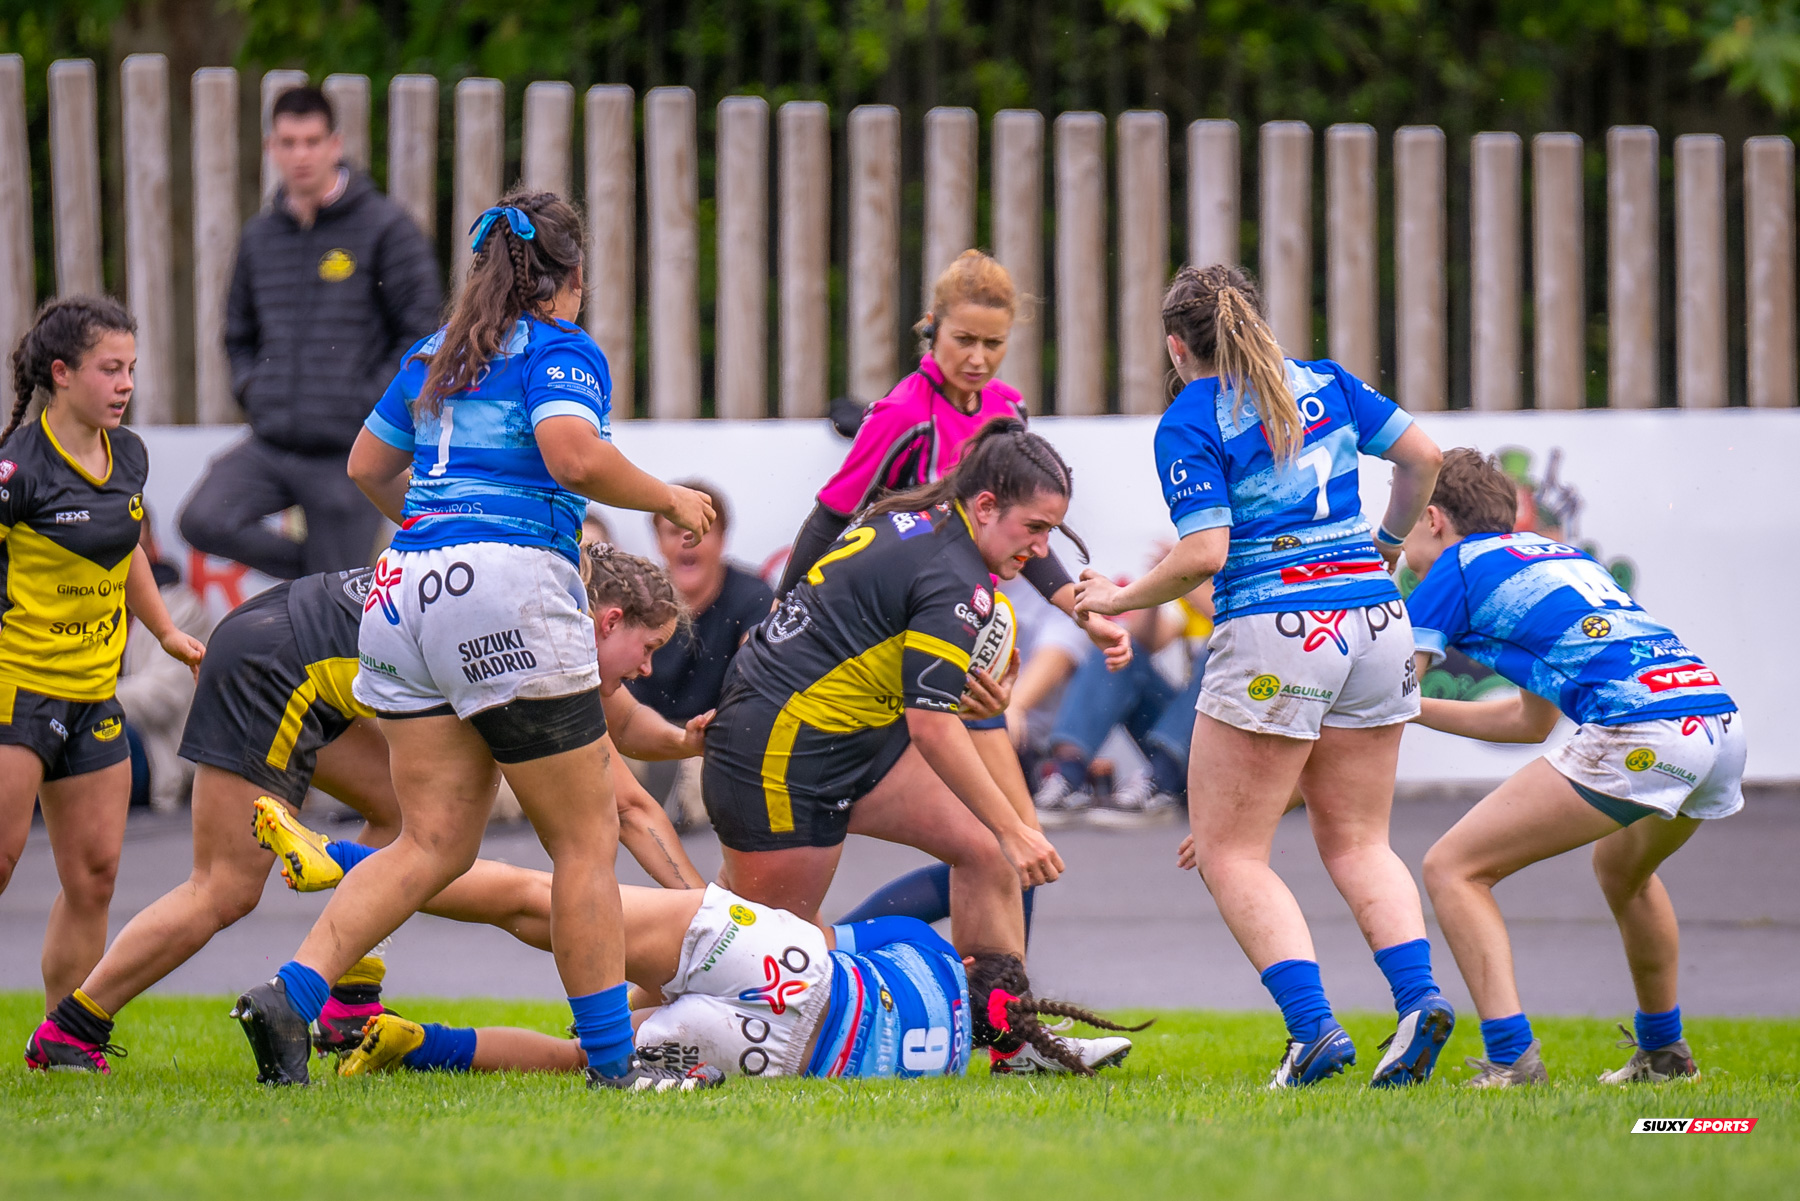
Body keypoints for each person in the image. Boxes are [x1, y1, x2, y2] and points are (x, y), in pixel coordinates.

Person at [229, 188, 721, 1093]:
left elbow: (368, 466)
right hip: (507, 583)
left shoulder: (435, 351)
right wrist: (668, 499)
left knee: (432, 841)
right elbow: (572, 454)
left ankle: (291, 994)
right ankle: (618, 1068)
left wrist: (433, 528)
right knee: (583, 842)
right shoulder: (563, 349)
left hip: (405, 584)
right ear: (570, 279)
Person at [24, 544, 706, 1074]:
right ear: (608, 619)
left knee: (400, 811)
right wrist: (710, 922)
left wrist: (681, 740)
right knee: (225, 887)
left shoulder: (541, 605)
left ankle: (349, 1004)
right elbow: (627, 803)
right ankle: (71, 1027)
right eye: (647, 650)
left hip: (288, 639)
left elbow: (624, 723)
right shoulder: (536, 639)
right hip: (275, 662)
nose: (648, 668)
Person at [1074, 264, 1450, 1089]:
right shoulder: (1329, 382)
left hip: (1278, 624)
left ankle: (1313, 1030)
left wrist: (1118, 595)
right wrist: (1385, 548)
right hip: (1375, 620)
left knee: (1230, 851)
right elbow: (1425, 459)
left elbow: (1205, 554)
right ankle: (1419, 999)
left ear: (1178, 347)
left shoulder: (1190, 415)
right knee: (1360, 840)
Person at [1405, 450, 1743, 1088]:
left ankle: (1511, 1061)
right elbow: (1529, 724)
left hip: (1641, 729)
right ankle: (1664, 1057)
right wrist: (1413, 711)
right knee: (1623, 869)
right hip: (1716, 725)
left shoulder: (1455, 566)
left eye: (1403, 520)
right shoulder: (1550, 557)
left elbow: (1386, 691)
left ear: (1433, 518)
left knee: (1453, 868)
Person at [707, 421, 1079, 973]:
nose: (1042, 549)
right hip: (779, 755)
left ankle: (1010, 1039)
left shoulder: (925, 522)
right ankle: (609, 1039)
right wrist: (1014, 827)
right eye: (1035, 527)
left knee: (987, 852)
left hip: (839, 733)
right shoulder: (957, 578)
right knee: (762, 960)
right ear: (984, 506)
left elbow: (881, 663)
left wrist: (963, 707)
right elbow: (929, 725)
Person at [321, 885, 1142, 1081]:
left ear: (967, 963)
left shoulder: (922, 949)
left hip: (801, 970)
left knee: (560, 901)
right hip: (780, 1056)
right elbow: (1071, 1048)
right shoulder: (960, 1056)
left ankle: (368, 871)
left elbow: (827, 935)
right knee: (581, 1055)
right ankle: (413, 1043)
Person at [0, 298, 206, 1066]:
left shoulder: (130, 456)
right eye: (108, 369)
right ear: (61, 373)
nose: (124, 384)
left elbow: (125, 551)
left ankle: (62, 1038)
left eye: (130, 369)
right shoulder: (17, 469)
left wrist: (165, 632)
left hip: (95, 697)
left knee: (94, 876)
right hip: (17, 690)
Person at [777, 249, 1130, 670]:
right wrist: (779, 611)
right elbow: (831, 517)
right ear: (933, 327)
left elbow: (1021, 532)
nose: (978, 359)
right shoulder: (902, 414)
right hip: (892, 621)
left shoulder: (1008, 410)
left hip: (964, 613)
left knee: (984, 730)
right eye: (964, 340)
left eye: (993, 343)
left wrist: (1080, 611)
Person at [179, 85, 441, 580]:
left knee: (329, 622)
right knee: (202, 519)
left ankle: (331, 581)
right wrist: (254, 390)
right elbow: (238, 334)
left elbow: (422, 336)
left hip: (351, 452)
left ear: (335, 144)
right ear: (270, 148)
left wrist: (367, 406)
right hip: (272, 443)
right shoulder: (260, 237)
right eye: (289, 141)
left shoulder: (386, 228)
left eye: (312, 140)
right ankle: (320, 575)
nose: (301, 154)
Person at [628, 479, 774, 828]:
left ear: (723, 540)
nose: (687, 540)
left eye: (700, 530)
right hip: (640, 735)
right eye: (675, 530)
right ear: (658, 542)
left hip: (714, 740)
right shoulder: (634, 600)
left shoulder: (753, 597)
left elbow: (760, 684)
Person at [1033, 579, 1214, 827]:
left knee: (1218, 659)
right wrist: (1156, 593)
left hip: (1227, 743)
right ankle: (1067, 776)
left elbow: (1235, 626)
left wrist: (1183, 577)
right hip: (1189, 741)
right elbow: (1144, 640)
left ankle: (1161, 779)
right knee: (1119, 650)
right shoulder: (1196, 593)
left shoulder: (1259, 582)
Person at [115, 511, 215, 812]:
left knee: (92, 732)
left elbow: (160, 699)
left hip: (152, 752)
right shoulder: (78, 604)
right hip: (72, 726)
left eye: (136, 550)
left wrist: (71, 700)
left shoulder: (181, 609)